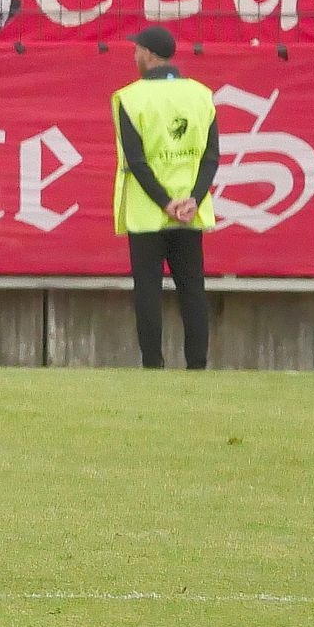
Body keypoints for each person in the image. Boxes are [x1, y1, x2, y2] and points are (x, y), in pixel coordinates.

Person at [113, 24, 218, 371]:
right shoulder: (201, 95)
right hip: (190, 211)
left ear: (148, 53)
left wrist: (163, 202)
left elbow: (136, 161)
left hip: (147, 212)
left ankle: (153, 365)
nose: (134, 56)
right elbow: (211, 158)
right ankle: (197, 365)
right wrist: (193, 199)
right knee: (193, 289)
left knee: (147, 289)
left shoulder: (130, 98)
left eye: (136, 51)